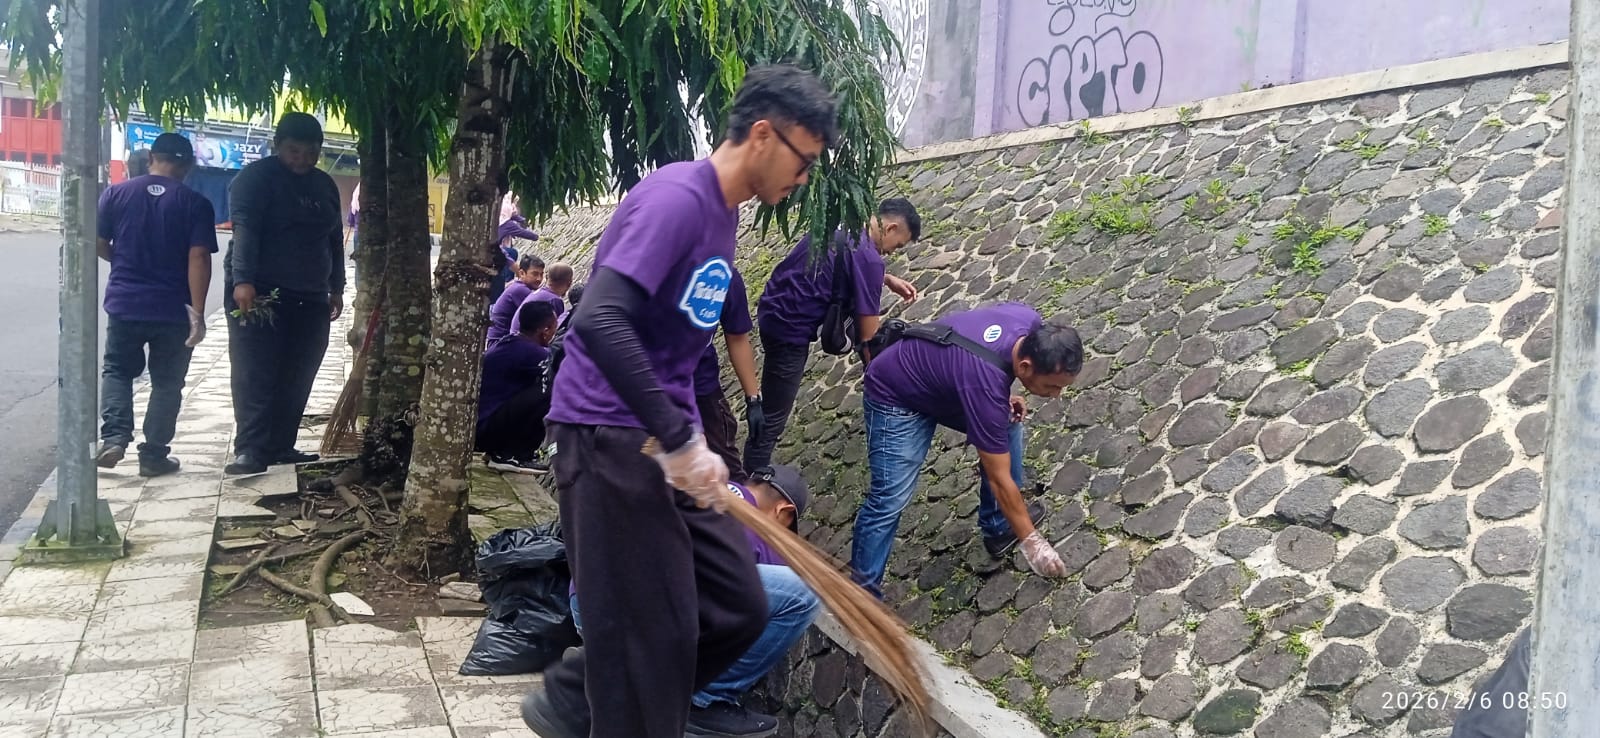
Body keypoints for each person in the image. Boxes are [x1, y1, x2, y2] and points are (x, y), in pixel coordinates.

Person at [520, 64, 838, 738]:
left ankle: (581, 692)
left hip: (662, 440)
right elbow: (601, 318)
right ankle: (606, 704)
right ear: (763, 134)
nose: (804, 177)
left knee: (737, 604)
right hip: (607, 436)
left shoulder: (722, 218)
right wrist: (678, 437)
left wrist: (695, 444)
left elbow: (673, 352)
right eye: (804, 160)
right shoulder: (676, 200)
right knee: (650, 640)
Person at [848, 303, 1083, 599]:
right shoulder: (983, 385)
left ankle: (1000, 526)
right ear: (1025, 367)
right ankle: (861, 597)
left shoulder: (1027, 320)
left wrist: (999, 396)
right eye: (1052, 386)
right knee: (889, 498)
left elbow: (976, 361)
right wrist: (1033, 543)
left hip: (944, 383)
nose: (1057, 395)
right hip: (895, 395)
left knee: (1006, 423)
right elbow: (999, 479)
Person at [568, 465, 819, 737]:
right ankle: (703, 700)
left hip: (585, 604)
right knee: (801, 595)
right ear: (783, 511)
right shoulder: (757, 529)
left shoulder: (698, 484)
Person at [743, 198, 922, 472]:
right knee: (773, 416)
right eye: (897, 245)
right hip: (789, 331)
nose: (890, 252)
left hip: (772, 308)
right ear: (891, 228)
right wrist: (883, 380)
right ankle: (751, 479)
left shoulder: (843, 220)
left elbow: (844, 257)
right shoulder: (870, 260)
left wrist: (885, 278)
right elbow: (869, 338)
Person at [223, 113, 346, 476]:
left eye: (311, 152)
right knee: (254, 371)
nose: (303, 159)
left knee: (299, 371)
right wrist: (243, 281)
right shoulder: (254, 180)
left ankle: (280, 444)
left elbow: (334, 238)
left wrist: (337, 286)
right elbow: (245, 231)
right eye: (294, 151)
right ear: (277, 146)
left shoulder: (324, 185)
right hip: (261, 292)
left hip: (311, 294)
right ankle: (250, 449)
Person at [94, 133, 216, 477]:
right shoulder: (195, 203)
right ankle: (153, 456)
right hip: (172, 310)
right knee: (167, 382)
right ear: (188, 165)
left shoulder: (115, 194)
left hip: (125, 304)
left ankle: (114, 438)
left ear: (151, 158)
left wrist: (121, 261)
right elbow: (198, 257)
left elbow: (98, 242)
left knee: (117, 370)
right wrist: (197, 312)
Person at [696, 267, 762, 483]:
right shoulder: (648, 273)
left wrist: (753, 399)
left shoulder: (723, 276)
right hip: (648, 391)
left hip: (702, 387)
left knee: (728, 469)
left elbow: (737, 338)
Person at [477, 300, 559, 473]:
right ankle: (511, 454)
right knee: (552, 391)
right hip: (484, 430)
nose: (555, 332)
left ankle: (501, 451)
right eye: (554, 327)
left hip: (480, 425)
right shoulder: (534, 353)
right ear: (545, 331)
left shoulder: (510, 342)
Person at [486, 252, 546, 344]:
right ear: (522, 273)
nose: (539, 279)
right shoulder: (520, 290)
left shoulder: (518, 286)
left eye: (541, 274)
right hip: (500, 343)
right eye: (535, 274)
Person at [509, 262, 573, 335]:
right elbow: (557, 331)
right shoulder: (554, 300)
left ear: (547, 277)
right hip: (525, 340)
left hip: (514, 337)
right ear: (569, 283)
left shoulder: (539, 293)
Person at [491, 213, 539, 305]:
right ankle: (507, 281)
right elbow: (523, 232)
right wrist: (537, 237)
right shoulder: (506, 224)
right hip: (493, 265)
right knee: (511, 253)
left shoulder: (496, 222)